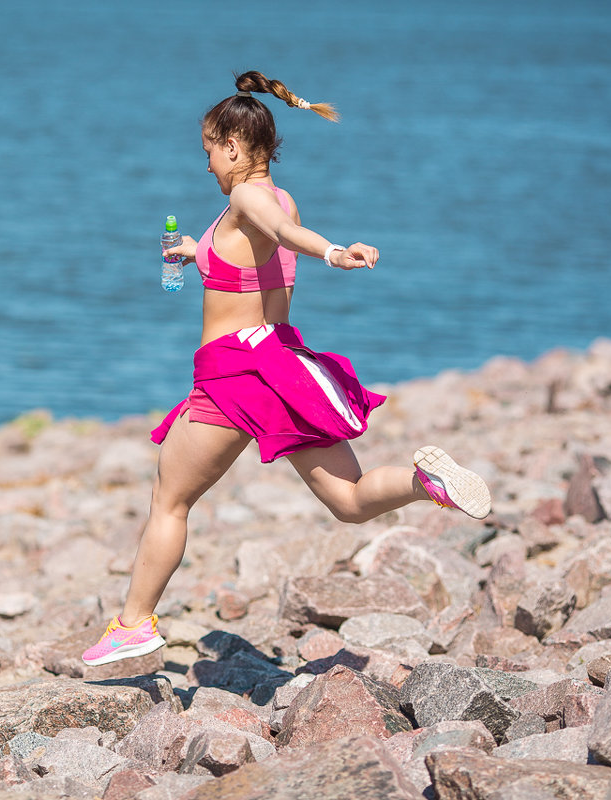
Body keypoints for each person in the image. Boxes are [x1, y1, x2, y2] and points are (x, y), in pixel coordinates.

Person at [82, 71, 490, 667]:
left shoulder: (247, 198)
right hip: (281, 363)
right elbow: (261, 257)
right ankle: (427, 483)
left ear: (232, 146)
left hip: (233, 376)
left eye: (209, 154)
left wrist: (333, 252)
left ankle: (133, 623)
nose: (207, 168)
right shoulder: (279, 195)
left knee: (170, 501)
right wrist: (198, 252)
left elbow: (283, 235)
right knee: (348, 500)